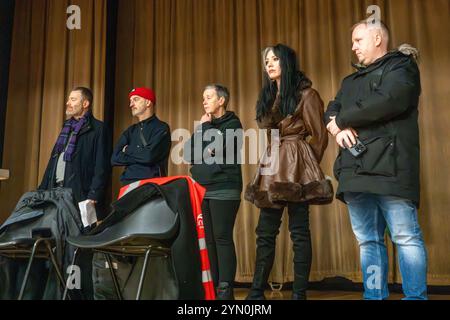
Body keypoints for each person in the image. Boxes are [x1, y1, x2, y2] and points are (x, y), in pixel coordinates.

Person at [324, 20, 427, 300]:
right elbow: (331, 108)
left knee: (406, 238)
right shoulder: (349, 81)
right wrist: (335, 125)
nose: (353, 47)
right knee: (368, 241)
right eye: (353, 42)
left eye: (358, 40)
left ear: (378, 37)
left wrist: (342, 120)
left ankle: (415, 298)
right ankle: (374, 296)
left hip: (391, 171)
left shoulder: (401, 67)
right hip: (355, 172)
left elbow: (390, 99)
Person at [245, 44, 332, 300]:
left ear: (287, 62)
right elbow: (271, 135)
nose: (269, 64)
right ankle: (256, 292)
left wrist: (306, 167)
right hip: (272, 164)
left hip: (297, 166)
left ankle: (299, 294)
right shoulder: (269, 97)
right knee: (265, 232)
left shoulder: (307, 94)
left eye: (275, 59)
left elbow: (319, 136)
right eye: (266, 60)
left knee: (299, 231)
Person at [184, 84, 243, 300]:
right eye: (203, 98)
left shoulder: (233, 124)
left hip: (224, 188)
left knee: (222, 238)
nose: (204, 102)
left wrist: (206, 142)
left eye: (208, 97)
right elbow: (188, 155)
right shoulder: (205, 125)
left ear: (221, 101)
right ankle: (214, 288)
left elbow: (215, 151)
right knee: (208, 240)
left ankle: (225, 290)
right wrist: (201, 130)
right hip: (202, 189)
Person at [40, 86, 110, 220]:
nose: (68, 103)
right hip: (55, 191)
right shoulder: (66, 127)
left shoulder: (98, 129)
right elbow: (53, 159)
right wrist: (42, 189)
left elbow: (102, 165)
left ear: (85, 104)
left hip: (79, 193)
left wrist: (94, 194)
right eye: (68, 99)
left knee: (77, 236)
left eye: (73, 99)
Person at [111, 87, 171, 183]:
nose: (131, 104)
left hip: (151, 184)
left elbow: (149, 156)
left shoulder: (161, 128)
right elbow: (115, 158)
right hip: (127, 184)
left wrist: (127, 149)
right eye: (130, 101)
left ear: (148, 103)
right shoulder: (130, 130)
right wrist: (142, 154)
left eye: (136, 99)